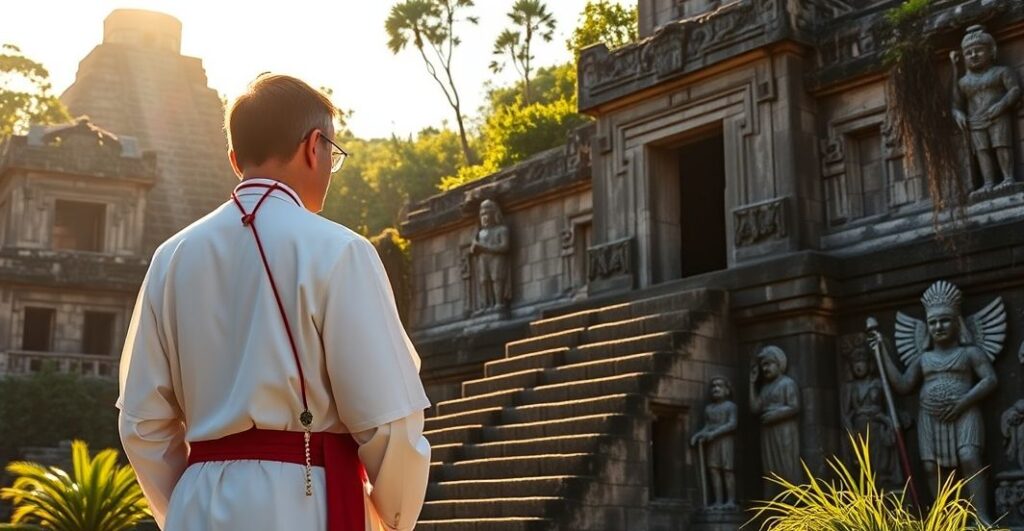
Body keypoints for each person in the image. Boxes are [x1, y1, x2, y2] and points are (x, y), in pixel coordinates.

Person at [117, 73, 431, 531]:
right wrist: (392, 518)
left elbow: (141, 424)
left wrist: (187, 502)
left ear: (234, 158)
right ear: (313, 145)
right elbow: (390, 421)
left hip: (196, 503)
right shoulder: (340, 250)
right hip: (306, 497)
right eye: (333, 154)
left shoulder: (172, 257)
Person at [749, 345, 801, 494]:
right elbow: (754, 408)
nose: (765, 368)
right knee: (769, 465)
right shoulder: (764, 388)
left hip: (784, 430)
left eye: (769, 364)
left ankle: (791, 497)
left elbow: (794, 406)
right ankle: (773, 499)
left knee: (786, 464)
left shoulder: (787, 383)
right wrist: (752, 383)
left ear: (779, 364)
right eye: (763, 365)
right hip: (768, 432)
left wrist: (775, 415)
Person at [690, 376, 737, 510]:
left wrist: (714, 434)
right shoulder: (709, 408)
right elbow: (708, 426)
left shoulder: (730, 406)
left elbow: (732, 424)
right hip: (712, 443)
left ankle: (730, 500)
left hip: (725, 442)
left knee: (727, 470)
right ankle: (718, 500)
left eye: (719, 386)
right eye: (713, 386)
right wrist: (698, 435)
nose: (716, 389)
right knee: (714, 471)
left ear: (727, 390)